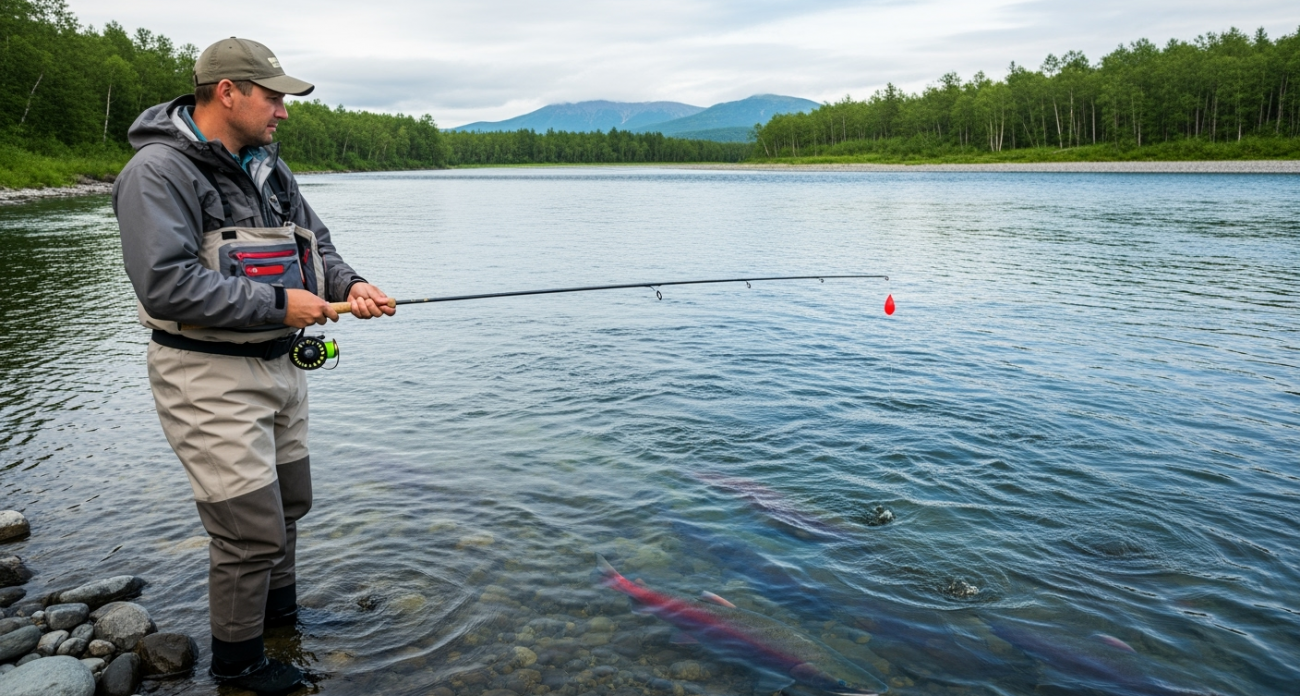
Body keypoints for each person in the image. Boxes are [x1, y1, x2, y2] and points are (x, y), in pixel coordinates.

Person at [113, 37, 394, 694]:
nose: (283, 112)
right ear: (227, 92)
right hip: (206, 376)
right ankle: (239, 668)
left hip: (281, 367)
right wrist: (278, 302)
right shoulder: (157, 172)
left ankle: (280, 622)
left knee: (289, 505)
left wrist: (350, 286)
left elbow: (316, 247)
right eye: (274, 97)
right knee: (248, 528)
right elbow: (165, 285)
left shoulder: (270, 166)